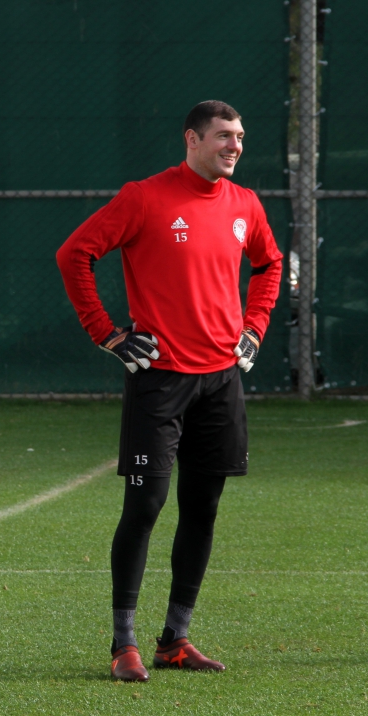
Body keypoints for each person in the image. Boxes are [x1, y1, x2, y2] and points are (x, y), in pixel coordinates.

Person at [55, 100, 283, 682]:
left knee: (203, 508)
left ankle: (175, 640)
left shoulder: (246, 204)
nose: (235, 146)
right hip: (160, 381)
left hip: (222, 382)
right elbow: (74, 254)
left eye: (240, 137)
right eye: (224, 136)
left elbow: (270, 264)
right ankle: (123, 644)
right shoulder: (144, 197)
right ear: (192, 139)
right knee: (145, 505)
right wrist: (107, 333)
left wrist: (254, 327)